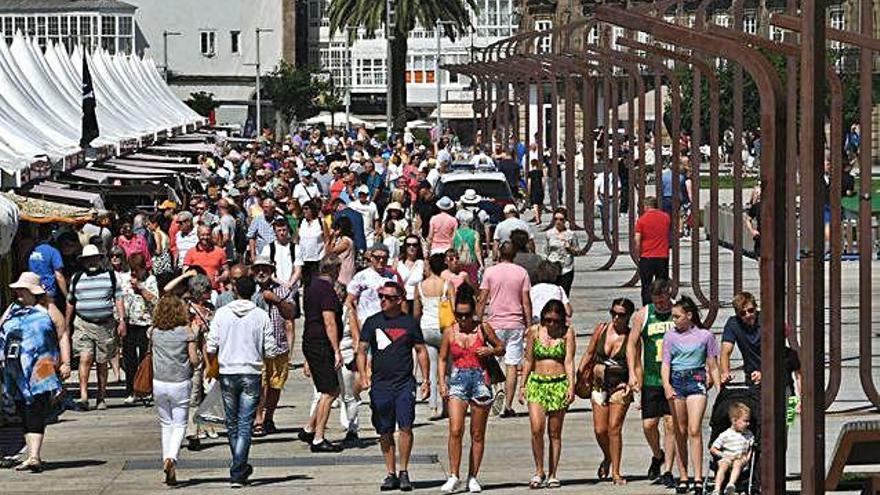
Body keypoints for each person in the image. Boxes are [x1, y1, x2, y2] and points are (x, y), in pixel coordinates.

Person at [357, 281, 430, 492]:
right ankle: (390, 473)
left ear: (399, 300)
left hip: (404, 383)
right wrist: (363, 376)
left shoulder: (409, 323)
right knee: (384, 429)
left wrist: (426, 380)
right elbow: (361, 350)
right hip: (380, 384)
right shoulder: (372, 322)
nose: (383, 301)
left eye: (388, 297)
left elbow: (421, 350)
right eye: (381, 296)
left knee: (406, 426)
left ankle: (404, 471)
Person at [206, 276, 277, 487]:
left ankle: (239, 466)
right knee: (246, 423)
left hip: (228, 371)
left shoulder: (222, 314)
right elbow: (271, 349)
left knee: (232, 422)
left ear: (235, 290)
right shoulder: (261, 315)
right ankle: (238, 468)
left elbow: (211, 346)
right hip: (251, 372)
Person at [437, 285, 505, 493]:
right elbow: (441, 358)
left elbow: (501, 347)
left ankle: (473, 476)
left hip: (480, 380)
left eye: (466, 315)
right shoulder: (450, 331)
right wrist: (441, 382)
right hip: (458, 380)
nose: (462, 319)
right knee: (455, 430)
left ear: (473, 312)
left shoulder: (483, 328)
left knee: (477, 433)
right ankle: (454, 475)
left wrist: (491, 349)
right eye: (458, 314)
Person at [1, 273, 66, 473]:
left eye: (23, 289)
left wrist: (65, 363)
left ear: (34, 291)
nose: (19, 292)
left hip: (42, 367)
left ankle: (34, 456)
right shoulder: (11, 309)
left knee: (35, 409)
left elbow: (63, 335)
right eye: (18, 289)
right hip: (16, 370)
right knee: (23, 410)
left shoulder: (48, 309)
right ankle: (31, 455)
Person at [661, 295, 721, 495]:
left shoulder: (705, 336)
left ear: (689, 315)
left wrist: (720, 389)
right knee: (680, 430)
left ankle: (698, 476)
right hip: (677, 380)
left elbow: (713, 366)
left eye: (677, 316)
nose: (674, 320)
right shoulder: (669, 337)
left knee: (695, 429)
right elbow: (666, 364)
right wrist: (667, 385)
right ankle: (683, 475)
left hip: (696, 379)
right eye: (673, 316)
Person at [579, 297, 636, 485]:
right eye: (614, 313)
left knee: (614, 428)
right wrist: (578, 375)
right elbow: (589, 353)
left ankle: (617, 472)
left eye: (621, 315)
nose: (616, 318)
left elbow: (636, 364)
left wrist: (633, 383)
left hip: (620, 386)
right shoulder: (601, 329)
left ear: (628, 316)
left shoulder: (631, 336)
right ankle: (607, 456)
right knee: (600, 429)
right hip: (598, 383)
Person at [520, 300, 576, 489]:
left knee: (555, 432)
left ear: (561, 320)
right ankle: (539, 470)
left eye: (555, 321)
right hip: (537, 382)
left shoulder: (568, 333)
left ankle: (553, 473)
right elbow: (528, 359)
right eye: (547, 320)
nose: (550, 324)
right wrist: (522, 385)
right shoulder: (534, 332)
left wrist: (571, 386)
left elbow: (568, 361)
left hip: (558, 383)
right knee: (536, 429)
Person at [626, 278, 677, 486]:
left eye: (663, 301)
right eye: (657, 302)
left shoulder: (678, 313)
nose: (661, 305)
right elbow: (632, 344)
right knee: (649, 425)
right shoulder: (644, 315)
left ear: (669, 295)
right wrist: (632, 372)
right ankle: (658, 455)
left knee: (670, 424)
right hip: (652, 377)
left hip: (674, 378)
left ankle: (669, 470)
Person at [66, 244, 125, 411]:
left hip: (105, 325)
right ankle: (83, 395)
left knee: (101, 361)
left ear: (100, 259)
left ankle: (101, 396)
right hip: (83, 323)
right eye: (88, 260)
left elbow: (118, 298)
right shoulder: (77, 278)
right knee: (84, 358)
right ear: (83, 262)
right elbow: (70, 301)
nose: (91, 262)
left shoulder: (111, 276)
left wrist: (121, 320)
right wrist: (66, 325)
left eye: (94, 258)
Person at [477, 241, 531, 418]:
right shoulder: (521, 272)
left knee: (492, 360)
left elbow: (483, 297)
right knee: (512, 364)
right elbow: (525, 301)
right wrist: (529, 325)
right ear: (514, 255)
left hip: (495, 323)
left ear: (499, 254)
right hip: (515, 323)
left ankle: (495, 390)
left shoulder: (490, 272)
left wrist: (478, 320)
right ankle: (508, 405)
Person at [150, 295, 199, 486]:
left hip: (159, 382)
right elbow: (194, 360)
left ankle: (167, 462)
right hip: (180, 382)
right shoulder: (186, 332)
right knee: (179, 425)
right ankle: (172, 458)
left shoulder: (153, 332)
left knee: (166, 424)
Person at [301, 256, 345, 452]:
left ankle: (310, 428)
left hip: (310, 341)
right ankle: (318, 438)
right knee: (330, 391)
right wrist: (336, 350)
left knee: (325, 388)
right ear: (336, 270)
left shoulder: (311, 287)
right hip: (321, 344)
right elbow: (329, 321)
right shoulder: (327, 290)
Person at [250, 257, 297, 437]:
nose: (261, 273)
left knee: (275, 384)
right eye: (258, 269)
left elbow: (291, 313)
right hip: (256, 347)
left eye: (265, 269)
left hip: (278, 344)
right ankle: (258, 419)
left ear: (271, 271)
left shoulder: (282, 290)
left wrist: (276, 300)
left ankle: (269, 417)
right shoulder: (249, 291)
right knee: (260, 385)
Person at [414, 253, 456, 420]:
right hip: (444, 328)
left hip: (426, 328)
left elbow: (416, 313)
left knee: (431, 367)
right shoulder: (447, 284)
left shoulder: (419, 287)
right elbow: (453, 308)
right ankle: (447, 404)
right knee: (447, 368)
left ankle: (433, 406)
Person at [121, 253, 158, 404]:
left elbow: (155, 300)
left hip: (146, 323)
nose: (135, 273)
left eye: (137, 270)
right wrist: (121, 321)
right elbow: (120, 299)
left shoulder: (151, 279)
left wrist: (141, 289)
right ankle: (131, 390)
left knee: (145, 358)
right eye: (132, 270)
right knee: (129, 359)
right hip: (130, 323)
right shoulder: (125, 279)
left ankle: (146, 389)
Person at [709, 402, 754, 495]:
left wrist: (747, 458)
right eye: (745, 421)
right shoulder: (725, 435)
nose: (748, 423)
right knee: (723, 466)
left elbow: (752, 448)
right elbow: (713, 448)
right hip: (727, 457)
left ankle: (731, 484)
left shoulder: (748, 434)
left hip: (740, 459)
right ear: (734, 420)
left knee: (737, 463)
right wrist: (723, 455)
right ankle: (717, 489)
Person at [635, 196, 671, 305]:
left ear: (646, 206)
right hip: (662, 256)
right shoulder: (666, 217)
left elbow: (637, 239)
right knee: (662, 285)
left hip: (647, 257)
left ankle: (647, 307)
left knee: (646, 285)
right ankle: (663, 304)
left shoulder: (641, 220)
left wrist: (638, 253)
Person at [544, 208, 581, 296]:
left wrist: (570, 248)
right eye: (556, 219)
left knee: (564, 294)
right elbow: (546, 251)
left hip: (566, 269)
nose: (558, 222)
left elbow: (578, 252)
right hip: (553, 268)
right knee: (553, 294)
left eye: (561, 219)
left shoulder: (571, 234)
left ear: (565, 220)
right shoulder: (549, 233)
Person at [183, 224, 228, 290]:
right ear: (198, 236)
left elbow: (226, 270)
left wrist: (221, 278)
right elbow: (185, 273)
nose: (205, 237)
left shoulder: (220, 252)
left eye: (208, 234)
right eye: (202, 235)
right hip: (196, 291)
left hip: (214, 289)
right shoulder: (190, 252)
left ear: (211, 235)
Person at [296, 201, 328, 288]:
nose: (304, 211)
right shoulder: (301, 222)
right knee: (305, 283)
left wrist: (324, 255)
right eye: (303, 209)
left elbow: (327, 240)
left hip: (317, 259)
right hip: (303, 259)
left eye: (307, 209)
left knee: (316, 283)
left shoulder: (320, 222)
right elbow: (297, 239)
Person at [452, 210, 483, 285]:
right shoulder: (475, 233)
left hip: (458, 261)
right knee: (472, 283)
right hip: (471, 261)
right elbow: (477, 250)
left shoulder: (455, 233)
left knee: (459, 282)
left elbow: (452, 247)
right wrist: (481, 263)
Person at [395, 234, 425, 309]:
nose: (411, 247)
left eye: (414, 245)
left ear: (418, 247)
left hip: (417, 301)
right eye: (408, 245)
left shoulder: (423, 263)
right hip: (401, 300)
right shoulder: (398, 263)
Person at [329, 216, 357, 286]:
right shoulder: (343, 239)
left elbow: (331, 252)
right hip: (342, 268)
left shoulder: (345, 241)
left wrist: (333, 238)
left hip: (345, 269)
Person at [528, 158, 545, 225]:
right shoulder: (540, 172)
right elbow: (543, 181)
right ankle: (539, 218)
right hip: (540, 189)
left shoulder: (530, 173)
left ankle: (537, 219)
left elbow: (529, 183)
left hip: (533, 189)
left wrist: (529, 191)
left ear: (531, 164)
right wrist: (543, 189)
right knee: (540, 204)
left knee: (535, 205)